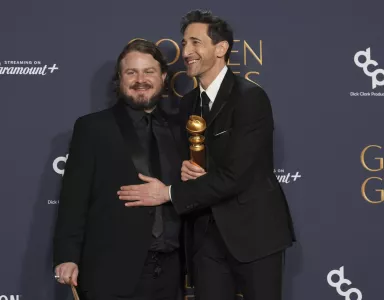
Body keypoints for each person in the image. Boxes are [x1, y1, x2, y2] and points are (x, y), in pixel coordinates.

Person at [118, 9, 296, 300]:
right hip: (205, 239)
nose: (186, 52)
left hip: (255, 235)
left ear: (221, 48)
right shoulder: (188, 103)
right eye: (184, 43)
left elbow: (237, 175)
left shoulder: (250, 98)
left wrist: (169, 193)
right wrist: (186, 169)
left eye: (195, 42)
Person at [53, 39, 185, 300]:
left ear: (162, 77)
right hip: (111, 271)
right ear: (120, 79)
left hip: (170, 272)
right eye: (131, 72)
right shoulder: (93, 128)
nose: (140, 79)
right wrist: (67, 256)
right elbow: (73, 198)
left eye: (148, 71)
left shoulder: (180, 130)